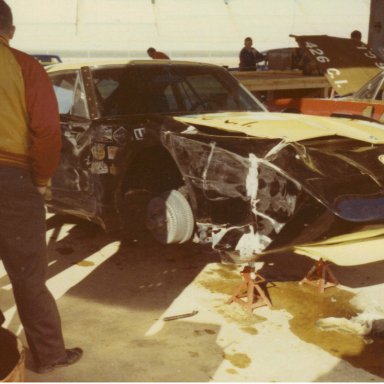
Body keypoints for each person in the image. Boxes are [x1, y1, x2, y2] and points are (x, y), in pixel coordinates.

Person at [0, 0, 82, 374]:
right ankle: (47, 355)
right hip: (12, 180)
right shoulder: (25, 65)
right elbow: (48, 132)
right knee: (28, 275)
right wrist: (42, 180)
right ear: (11, 31)